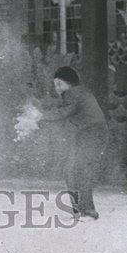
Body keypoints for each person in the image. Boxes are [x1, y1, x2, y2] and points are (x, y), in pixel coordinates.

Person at [39, 66, 108, 221]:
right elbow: (62, 110)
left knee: (79, 169)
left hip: (93, 133)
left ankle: (88, 211)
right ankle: (79, 211)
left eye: (59, 84)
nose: (57, 89)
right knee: (71, 170)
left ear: (70, 84)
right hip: (87, 134)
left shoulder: (74, 93)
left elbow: (64, 112)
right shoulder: (77, 94)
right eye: (55, 85)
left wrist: (40, 116)